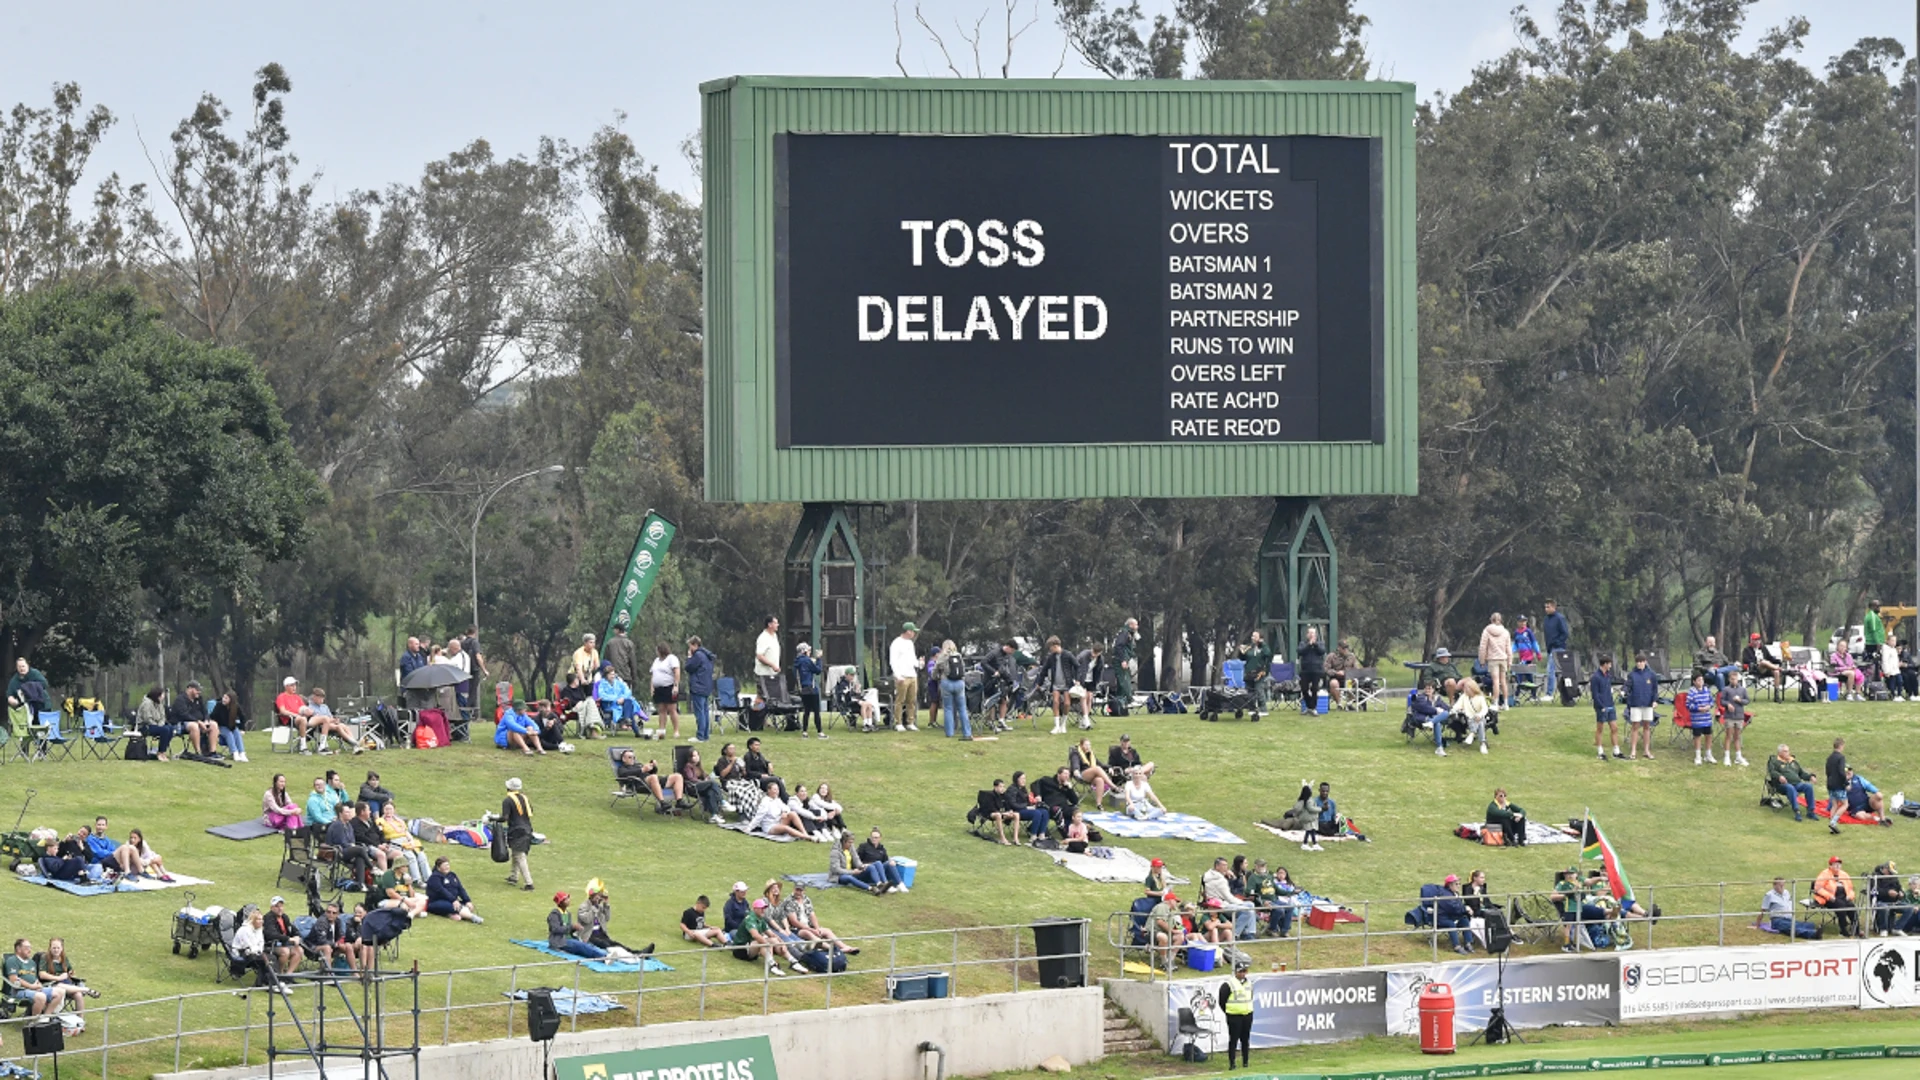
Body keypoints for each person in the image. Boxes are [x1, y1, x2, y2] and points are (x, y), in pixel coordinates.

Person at [578, 880, 653, 956]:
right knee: (607, 945)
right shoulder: (583, 907)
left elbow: (607, 918)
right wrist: (594, 909)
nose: (600, 897)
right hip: (589, 936)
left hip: (600, 934)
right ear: (592, 895)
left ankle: (637, 953)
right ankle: (634, 955)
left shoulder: (599, 907)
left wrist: (606, 905)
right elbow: (586, 920)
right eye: (598, 895)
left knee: (616, 944)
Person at [734, 897, 798, 976]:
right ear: (755, 909)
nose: (763, 910)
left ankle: (793, 961)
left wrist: (782, 943)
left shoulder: (761, 919)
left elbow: (772, 934)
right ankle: (772, 965)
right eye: (761, 908)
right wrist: (767, 944)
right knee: (763, 942)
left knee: (773, 940)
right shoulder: (750, 918)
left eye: (764, 908)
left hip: (751, 947)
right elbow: (756, 935)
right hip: (741, 949)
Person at [1204, 856, 1258, 940]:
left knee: (1251, 904)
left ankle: (1250, 932)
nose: (1226, 867)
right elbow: (1229, 898)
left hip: (1223, 901)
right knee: (1247, 910)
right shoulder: (1219, 881)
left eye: (1226, 865)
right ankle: (1235, 934)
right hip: (1220, 905)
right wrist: (1242, 903)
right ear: (1217, 866)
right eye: (1224, 865)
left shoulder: (1211, 875)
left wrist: (1224, 873)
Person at [617, 749, 688, 811]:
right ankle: (662, 803)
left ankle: (679, 801)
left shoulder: (638, 765)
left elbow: (652, 772)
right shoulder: (622, 769)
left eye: (633, 757)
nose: (632, 759)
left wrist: (653, 766)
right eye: (630, 757)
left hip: (654, 782)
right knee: (653, 777)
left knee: (677, 776)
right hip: (640, 785)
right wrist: (641, 770)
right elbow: (624, 775)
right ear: (624, 759)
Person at [379, 802, 431, 880]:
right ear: (383, 810)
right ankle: (416, 879)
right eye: (386, 809)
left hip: (406, 842)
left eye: (390, 809)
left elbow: (406, 832)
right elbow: (380, 834)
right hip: (394, 843)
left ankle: (429, 878)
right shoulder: (381, 821)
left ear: (394, 810)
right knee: (411, 856)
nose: (388, 811)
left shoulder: (399, 821)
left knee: (421, 855)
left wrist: (411, 840)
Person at [1036, 637, 1077, 735]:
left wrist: (1078, 680)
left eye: (1051, 648)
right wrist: (1039, 683)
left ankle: (1063, 724)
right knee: (1055, 702)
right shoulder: (1051, 657)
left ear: (1055, 646)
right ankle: (1056, 726)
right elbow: (1044, 670)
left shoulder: (1068, 655)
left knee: (1067, 703)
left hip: (1067, 683)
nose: (1050, 650)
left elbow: (1077, 666)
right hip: (1055, 684)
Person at [747, 781, 815, 840]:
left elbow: (786, 808)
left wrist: (784, 812)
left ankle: (805, 833)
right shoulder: (765, 802)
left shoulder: (777, 799)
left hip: (778, 821)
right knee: (786, 828)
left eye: (777, 789)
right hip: (770, 827)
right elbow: (758, 817)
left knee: (793, 813)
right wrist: (749, 828)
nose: (777, 791)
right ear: (769, 790)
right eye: (774, 789)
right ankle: (807, 837)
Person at [547, 892, 606, 959]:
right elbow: (556, 929)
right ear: (560, 902)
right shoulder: (554, 914)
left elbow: (568, 930)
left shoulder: (568, 913)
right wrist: (572, 926)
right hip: (559, 942)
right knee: (581, 946)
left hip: (568, 939)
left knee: (587, 945)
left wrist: (575, 928)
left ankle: (607, 956)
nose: (569, 900)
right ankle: (603, 957)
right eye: (566, 899)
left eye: (568, 898)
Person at [1768, 744, 1819, 821]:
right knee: (1790, 787)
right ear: (1779, 753)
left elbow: (1801, 773)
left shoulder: (1793, 762)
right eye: (1785, 751)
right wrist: (1779, 776)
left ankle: (1811, 811)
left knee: (1808, 786)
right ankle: (1797, 811)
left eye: (1788, 751)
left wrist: (1810, 777)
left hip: (1797, 784)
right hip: (1782, 785)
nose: (1787, 753)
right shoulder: (1774, 761)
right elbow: (1772, 772)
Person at [593, 664, 646, 738]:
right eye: (611, 674)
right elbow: (602, 695)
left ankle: (627, 720)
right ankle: (634, 728)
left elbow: (627, 691)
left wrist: (622, 698)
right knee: (629, 708)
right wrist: (616, 699)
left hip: (622, 702)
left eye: (613, 674)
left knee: (628, 701)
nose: (613, 676)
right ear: (606, 675)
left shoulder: (618, 682)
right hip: (610, 704)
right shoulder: (602, 684)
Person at [1812, 856, 1859, 938]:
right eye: (1835, 864)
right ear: (1830, 866)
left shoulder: (1844, 874)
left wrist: (1850, 896)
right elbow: (1818, 889)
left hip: (1843, 897)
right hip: (1828, 898)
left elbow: (1850, 888)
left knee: (1851, 906)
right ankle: (1843, 929)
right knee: (1841, 906)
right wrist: (1829, 896)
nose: (1838, 866)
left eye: (1839, 864)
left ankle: (1856, 929)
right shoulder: (1824, 874)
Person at [1426, 875, 1474, 955]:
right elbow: (1453, 908)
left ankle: (1468, 943)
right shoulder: (1445, 895)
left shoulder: (1454, 893)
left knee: (1464, 920)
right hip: (1442, 919)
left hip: (1452, 917)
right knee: (1451, 924)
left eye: (1459, 884)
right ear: (1450, 885)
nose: (1459, 886)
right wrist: (1465, 909)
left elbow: (1458, 907)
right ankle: (1457, 946)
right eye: (1456, 884)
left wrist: (1465, 909)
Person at [168, 680, 216, 758]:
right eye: (197, 690)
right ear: (190, 689)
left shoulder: (199, 699)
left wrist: (206, 720)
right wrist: (198, 722)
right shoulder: (180, 699)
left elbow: (205, 711)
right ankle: (198, 752)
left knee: (213, 724)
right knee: (194, 726)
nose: (199, 692)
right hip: (181, 724)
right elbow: (184, 715)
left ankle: (212, 752)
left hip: (199, 722)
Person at [425, 856, 482, 922]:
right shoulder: (434, 878)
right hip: (436, 901)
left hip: (451, 900)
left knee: (466, 906)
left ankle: (452, 914)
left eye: (448, 865)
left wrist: (467, 901)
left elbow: (460, 888)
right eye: (444, 865)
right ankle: (472, 917)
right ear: (438, 867)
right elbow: (442, 891)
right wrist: (453, 900)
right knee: (455, 907)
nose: (447, 867)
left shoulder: (452, 875)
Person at [936, 638, 973, 739]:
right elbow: (963, 669)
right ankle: (967, 732)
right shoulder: (958, 655)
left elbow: (936, 669)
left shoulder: (942, 656)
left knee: (948, 708)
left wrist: (936, 677)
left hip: (946, 682)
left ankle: (949, 732)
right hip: (959, 683)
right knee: (962, 708)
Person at [1624, 653, 1659, 761]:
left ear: (1645, 662)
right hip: (1635, 704)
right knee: (1635, 726)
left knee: (1647, 727)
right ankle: (1633, 750)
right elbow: (1627, 686)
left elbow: (1655, 690)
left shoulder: (1651, 674)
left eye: (1641, 661)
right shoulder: (1632, 675)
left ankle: (1646, 750)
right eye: (1638, 662)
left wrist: (1655, 701)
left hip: (1648, 704)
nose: (1639, 664)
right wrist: (1623, 691)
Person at [502, 778, 534, 890]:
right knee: (516, 853)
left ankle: (529, 883)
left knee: (520, 856)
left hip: (516, 831)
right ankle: (513, 876)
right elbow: (531, 811)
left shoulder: (507, 801)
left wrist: (494, 819)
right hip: (528, 829)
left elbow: (505, 817)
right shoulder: (524, 798)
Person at [887, 622, 920, 732]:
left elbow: (912, 658)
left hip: (912, 675)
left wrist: (919, 664)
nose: (914, 633)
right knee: (900, 700)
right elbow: (893, 661)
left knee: (911, 701)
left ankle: (910, 722)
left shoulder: (910, 643)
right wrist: (897, 675)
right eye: (913, 631)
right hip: (902, 676)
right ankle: (898, 722)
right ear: (908, 631)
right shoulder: (896, 643)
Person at [1590, 654, 1622, 760]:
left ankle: (1616, 751)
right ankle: (1600, 751)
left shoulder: (1608, 675)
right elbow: (1595, 694)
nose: (1611, 666)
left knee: (1614, 727)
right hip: (1601, 706)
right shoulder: (1595, 677)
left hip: (1610, 704)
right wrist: (1601, 706)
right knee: (1600, 728)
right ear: (1605, 664)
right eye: (1609, 664)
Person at [684, 635, 716, 742]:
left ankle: (700, 735)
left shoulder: (697, 656)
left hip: (698, 686)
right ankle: (706, 735)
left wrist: (689, 657)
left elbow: (688, 668)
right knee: (705, 711)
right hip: (706, 686)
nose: (689, 649)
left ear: (695, 645)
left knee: (699, 712)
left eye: (690, 646)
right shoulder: (707, 656)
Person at [1479, 613, 1513, 710]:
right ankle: (1506, 703)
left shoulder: (1487, 631)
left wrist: (1482, 660)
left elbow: (1483, 647)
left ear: (1491, 620)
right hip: (1503, 659)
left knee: (1495, 681)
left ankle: (1495, 703)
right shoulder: (1506, 632)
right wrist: (1509, 660)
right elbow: (1508, 648)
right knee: (1503, 681)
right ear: (1500, 620)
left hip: (1493, 659)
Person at [1717, 669, 1751, 768]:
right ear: (1729, 679)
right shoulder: (1726, 689)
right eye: (1732, 679)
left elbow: (1747, 700)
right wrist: (1728, 704)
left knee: (1737, 737)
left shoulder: (1742, 690)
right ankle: (1726, 756)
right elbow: (1722, 701)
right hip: (1729, 716)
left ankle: (1738, 756)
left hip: (1739, 716)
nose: (1734, 681)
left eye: (1735, 679)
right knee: (1728, 736)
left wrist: (1740, 700)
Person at [858, 828, 909, 893]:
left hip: (879, 870)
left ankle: (900, 884)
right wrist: (863, 865)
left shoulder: (881, 848)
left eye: (876, 837)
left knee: (889, 863)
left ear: (880, 838)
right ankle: (886, 884)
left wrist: (891, 861)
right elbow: (857, 860)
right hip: (867, 869)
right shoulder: (863, 846)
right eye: (872, 837)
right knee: (878, 863)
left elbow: (886, 860)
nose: (874, 839)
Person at [681, 748, 725, 823]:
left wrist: (707, 778)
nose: (697, 757)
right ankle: (722, 802)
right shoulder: (687, 767)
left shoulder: (698, 766)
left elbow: (705, 776)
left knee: (711, 792)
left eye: (697, 755)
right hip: (692, 787)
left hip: (700, 787)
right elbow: (691, 779)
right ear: (690, 758)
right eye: (694, 756)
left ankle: (714, 815)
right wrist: (703, 782)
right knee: (712, 783)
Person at [229, 911, 272, 987]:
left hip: (254, 952)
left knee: (272, 957)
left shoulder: (259, 929)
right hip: (242, 952)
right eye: (258, 919)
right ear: (253, 920)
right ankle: (267, 982)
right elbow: (247, 945)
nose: (261, 921)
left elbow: (261, 942)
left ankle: (265, 981)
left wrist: (259, 951)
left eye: (261, 919)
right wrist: (259, 952)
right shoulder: (245, 930)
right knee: (264, 959)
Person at [6, 657, 53, 726]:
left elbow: (44, 684)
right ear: (16, 667)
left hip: (43, 706)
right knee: (32, 730)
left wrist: (28, 688)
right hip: (26, 709)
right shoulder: (14, 680)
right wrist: (13, 701)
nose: (21, 668)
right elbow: (9, 694)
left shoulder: (35, 673)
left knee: (44, 730)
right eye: (19, 667)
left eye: (23, 666)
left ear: (27, 665)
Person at [649, 642, 682, 739]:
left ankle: (676, 730)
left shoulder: (672, 658)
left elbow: (677, 672)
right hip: (658, 688)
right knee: (661, 709)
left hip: (669, 687)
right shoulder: (656, 661)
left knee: (672, 709)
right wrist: (652, 687)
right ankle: (661, 730)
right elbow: (653, 674)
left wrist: (676, 686)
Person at [1007, 771, 1051, 844]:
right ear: (1016, 779)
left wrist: (1034, 803)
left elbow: (1027, 801)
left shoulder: (1023, 789)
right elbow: (1013, 804)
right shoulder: (1012, 789)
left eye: (1025, 778)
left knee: (1044, 811)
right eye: (1022, 779)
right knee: (1037, 813)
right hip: (1016, 811)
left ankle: (1041, 834)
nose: (1024, 780)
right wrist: (1026, 807)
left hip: (1025, 809)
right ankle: (1033, 835)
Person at [754, 615, 789, 707]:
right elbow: (760, 656)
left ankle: (761, 719)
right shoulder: (763, 638)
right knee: (761, 697)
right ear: (770, 625)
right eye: (776, 623)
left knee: (769, 699)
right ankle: (755, 718)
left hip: (772, 674)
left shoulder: (774, 636)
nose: (778, 625)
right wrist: (772, 665)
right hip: (763, 674)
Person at [264, 896, 304, 975]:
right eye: (277, 906)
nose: (280, 908)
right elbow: (272, 934)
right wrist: (288, 939)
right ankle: (279, 973)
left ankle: (288, 974)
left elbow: (293, 929)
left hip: (284, 944)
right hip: (270, 945)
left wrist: (297, 936)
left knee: (299, 950)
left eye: (281, 906)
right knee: (285, 951)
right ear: (271, 908)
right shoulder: (268, 918)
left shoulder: (284, 917)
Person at [792, 642, 823, 737]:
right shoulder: (807, 660)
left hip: (803, 689)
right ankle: (820, 732)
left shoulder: (796, 661)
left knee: (807, 711)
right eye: (808, 650)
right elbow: (818, 670)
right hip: (812, 689)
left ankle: (805, 731)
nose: (810, 652)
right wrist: (818, 659)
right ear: (804, 651)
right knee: (816, 711)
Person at [1070, 738, 1114, 805]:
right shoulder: (1075, 753)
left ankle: (1099, 803)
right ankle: (1112, 786)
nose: (1088, 747)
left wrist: (1109, 767)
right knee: (1097, 769)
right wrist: (1076, 769)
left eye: (1089, 745)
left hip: (1091, 776)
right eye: (1086, 745)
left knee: (1099, 780)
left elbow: (1100, 764)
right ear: (1081, 745)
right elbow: (1075, 762)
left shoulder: (1090, 754)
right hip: (1081, 774)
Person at [1410, 681, 1448, 757]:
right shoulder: (1420, 697)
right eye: (1426, 688)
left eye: (1429, 689)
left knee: (1446, 713)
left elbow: (1446, 708)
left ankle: (1431, 723)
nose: (1427, 690)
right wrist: (1436, 710)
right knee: (1437, 723)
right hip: (1422, 719)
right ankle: (1439, 748)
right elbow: (1424, 708)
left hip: (1432, 719)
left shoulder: (1437, 698)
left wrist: (1442, 709)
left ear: (1433, 689)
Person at [1454, 680, 1491, 755]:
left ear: (1472, 688)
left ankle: (1472, 734)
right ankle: (1482, 743)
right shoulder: (1464, 697)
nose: (1465, 690)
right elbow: (1456, 706)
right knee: (1479, 722)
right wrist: (1458, 709)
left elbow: (1485, 709)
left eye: (1467, 688)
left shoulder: (1480, 697)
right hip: (1469, 719)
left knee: (1479, 719)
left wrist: (1479, 715)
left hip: (1479, 717)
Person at [210, 690, 250, 762]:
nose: (224, 699)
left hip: (231, 726)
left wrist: (242, 729)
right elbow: (213, 716)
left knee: (237, 733)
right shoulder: (219, 705)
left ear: (231, 700)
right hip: (221, 726)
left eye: (226, 698)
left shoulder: (236, 707)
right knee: (229, 734)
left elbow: (242, 717)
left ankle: (242, 752)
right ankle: (234, 752)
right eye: (224, 697)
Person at [1685, 673, 1715, 765]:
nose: (1701, 682)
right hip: (1697, 719)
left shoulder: (1707, 690)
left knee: (1708, 735)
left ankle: (1708, 754)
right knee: (1697, 737)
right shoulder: (1692, 692)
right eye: (1698, 680)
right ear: (1694, 682)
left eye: (1702, 680)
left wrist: (1709, 706)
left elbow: (1711, 700)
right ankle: (1698, 756)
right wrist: (1698, 708)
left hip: (1707, 718)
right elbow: (1688, 705)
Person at [1296, 626, 1327, 713]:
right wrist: (1309, 645)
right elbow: (1300, 651)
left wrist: (1315, 644)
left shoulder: (1320, 643)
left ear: (1315, 635)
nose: (1311, 635)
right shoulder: (1303, 643)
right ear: (1307, 634)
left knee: (1314, 689)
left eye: (1313, 633)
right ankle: (1310, 705)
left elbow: (1322, 651)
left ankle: (1313, 708)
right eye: (1310, 633)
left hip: (1316, 670)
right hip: (1305, 670)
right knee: (1304, 689)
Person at [136, 687, 172, 760]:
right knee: (165, 730)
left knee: (170, 729)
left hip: (157, 725)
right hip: (145, 726)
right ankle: (160, 752)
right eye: (162, 695)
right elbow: (147, 718)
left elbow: (163, 717)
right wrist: (157, 725)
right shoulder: (146, 703)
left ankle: (162, 752)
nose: (163, 697)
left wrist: (160, 724)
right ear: (157, 695)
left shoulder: (160, 704)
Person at [1542, 600, 1571, 689]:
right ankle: (1559, 689)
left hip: (1558, 648)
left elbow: (1565, 633)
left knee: (1550, 669)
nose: (1546, 609)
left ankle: (1549, 693)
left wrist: (1557, 642)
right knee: (1553, 670)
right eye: (1545, 607)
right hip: (1550, 648)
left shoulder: (1559, 618)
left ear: (1554, 607)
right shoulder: (1546, 619)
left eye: (1548, 607)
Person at [1112, 617, 1139, 711]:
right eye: (1136, 624)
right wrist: (1123, 660)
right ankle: (1129, 699)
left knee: (1122, 681)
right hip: (1120, 660)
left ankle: (1121, 702)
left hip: (1124, 660)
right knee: (1124, 679)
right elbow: (1119, 646)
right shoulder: (1124, 633)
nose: (1137, 626)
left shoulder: (1128, 633)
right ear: (1130, 625)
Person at [1240, 631, 1272, 709]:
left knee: (1259, 690)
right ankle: (1252, 708)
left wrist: (1263, 644)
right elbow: (1243, 657)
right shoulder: (1250, 647)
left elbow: (1268, 654)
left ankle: (1263, 709)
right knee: (1249, 691)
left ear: (1260, 638)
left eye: (1255, 636)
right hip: (1249, 672)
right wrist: (1241, 652)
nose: (1252, 638)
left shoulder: (1263, 648)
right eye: (1252, 636)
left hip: (1259, 672)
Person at [1825, 738, 1849, 835]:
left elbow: (1827, 771)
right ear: (1841, 746)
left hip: (1830, 784)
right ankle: (1833, 822)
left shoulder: (1829, 758)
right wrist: (1846, 783)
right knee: (1845, 804)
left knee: (1834, 804)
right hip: (1838, 784)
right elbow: (1841, 772)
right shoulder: (1841, 758)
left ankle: (1832, 827)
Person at [1326, 638, 1359, 708]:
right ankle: (1339, 704)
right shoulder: (1331, 656)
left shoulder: (1351, 656)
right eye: (1343, 648)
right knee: (1333, 683)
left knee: (1354, 681)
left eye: (1346, 648)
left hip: (1348, 678)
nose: (1345, 650)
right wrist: (1336, 672)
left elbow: (1356, 669)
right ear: (1339, 648)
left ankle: (1349, 703)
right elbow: (1326, 669)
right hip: (1335, 678)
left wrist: (1347, 672)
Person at [604, 623, 638, 689]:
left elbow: (606, 660)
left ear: (617, 630)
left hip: (612, 676)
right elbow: (633, 662)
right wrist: (634, 678)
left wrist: (605, 675)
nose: (613, 631)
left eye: (614, 629)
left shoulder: (610, 642)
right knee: (624, 697)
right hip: (626, 676)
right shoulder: (629, 643)